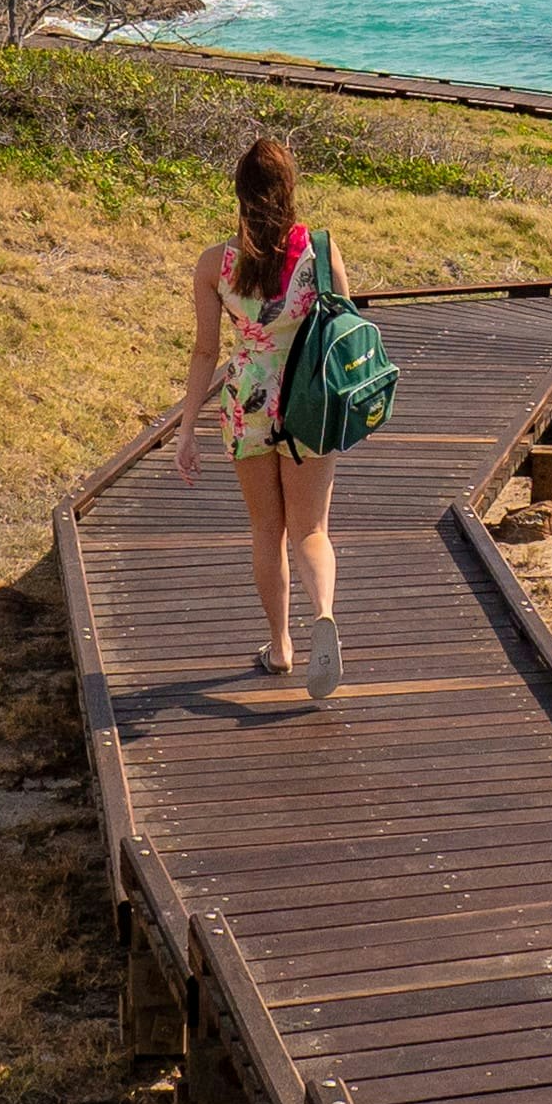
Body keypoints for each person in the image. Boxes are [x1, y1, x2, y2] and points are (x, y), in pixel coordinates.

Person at [175, 135, 343, 702]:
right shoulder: (320, 250)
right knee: (312, 530)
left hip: (247, 402)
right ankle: (323, 613)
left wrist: (186, 429)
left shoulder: (215, 264)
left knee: (267, 532)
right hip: (309, 403)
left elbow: (204, 351)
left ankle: (280, 647)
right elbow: (341, 330)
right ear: (289, 189)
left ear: (240, 193)